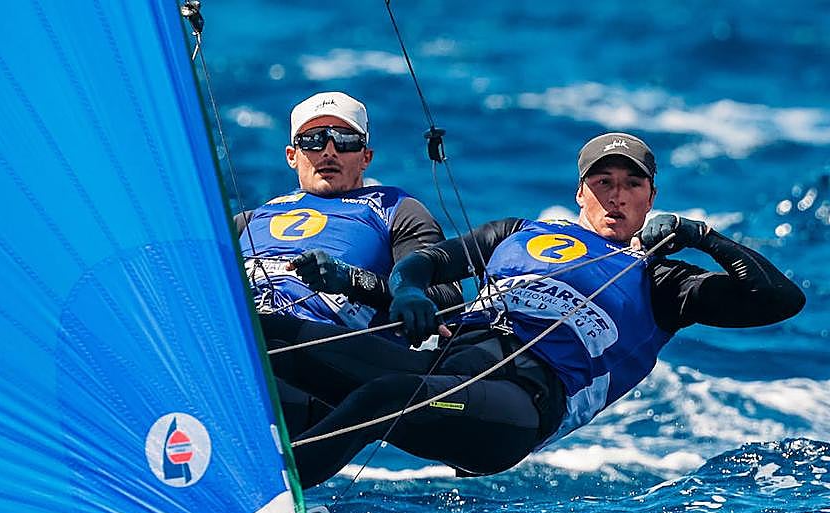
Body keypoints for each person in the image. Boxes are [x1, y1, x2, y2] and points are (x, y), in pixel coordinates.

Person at [269, 131, 806, 487]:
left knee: (383, 396)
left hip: (515, 410)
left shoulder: (663, 281)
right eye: (603, 183)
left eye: (631, 184)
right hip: (441, 372)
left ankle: (271, 506)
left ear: (650, 196)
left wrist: (702, 236)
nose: (616, 196)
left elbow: (780, 300)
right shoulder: (520, 233)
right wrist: (406, 291)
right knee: (268, 334)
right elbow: (426, 265)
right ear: (581, 193)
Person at [238, 91, 457, 336]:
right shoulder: (251, 218)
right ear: (292, 156)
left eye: (345, 140)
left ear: (366, 157)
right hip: (238, 329)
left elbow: (446, 297)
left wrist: (351, 279)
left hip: (325, 347)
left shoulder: (396, 208)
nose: (329, 152)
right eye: (313, 140)